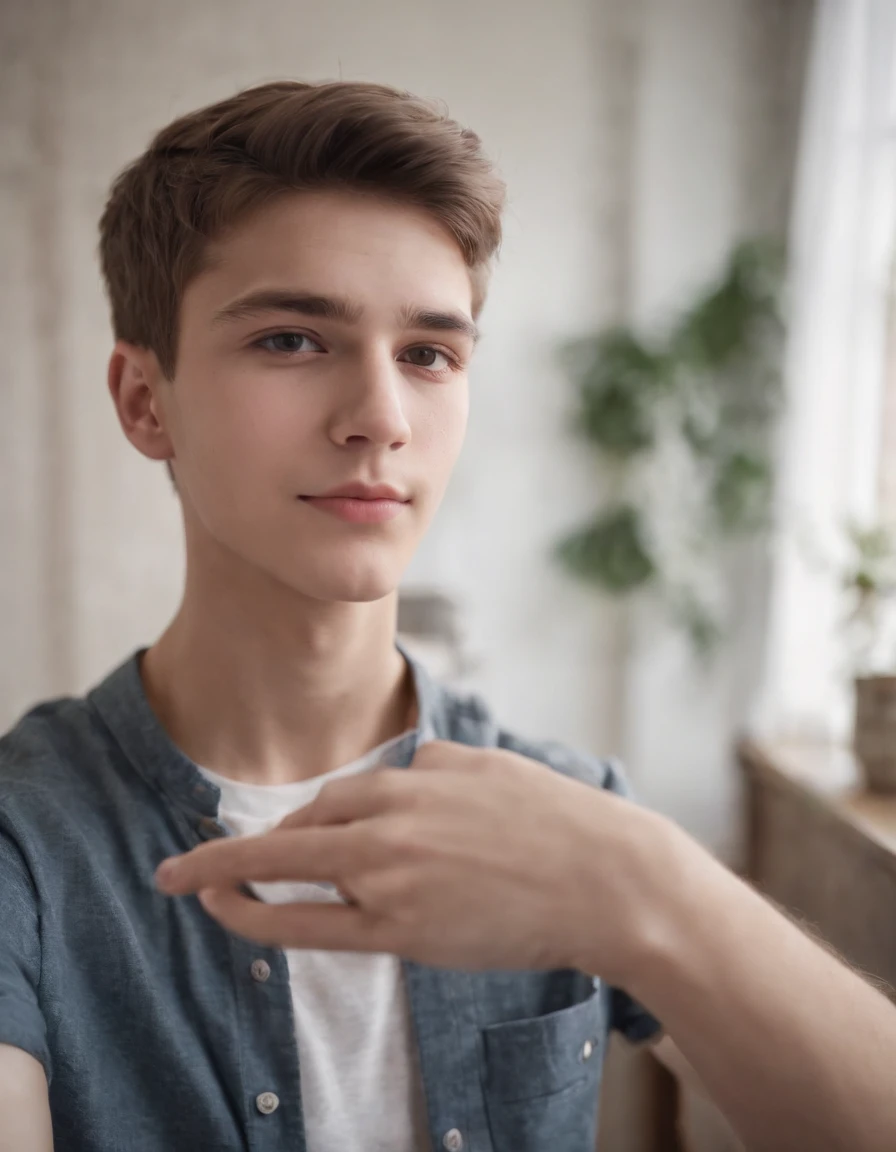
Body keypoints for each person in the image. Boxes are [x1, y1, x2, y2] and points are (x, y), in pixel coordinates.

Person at [0, 77, 889, 1152]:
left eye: (428, 354)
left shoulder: (567, 815)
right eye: (291, 339)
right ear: (147, 401)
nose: (379, 417)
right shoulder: (27, 850)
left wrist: (648, 890)